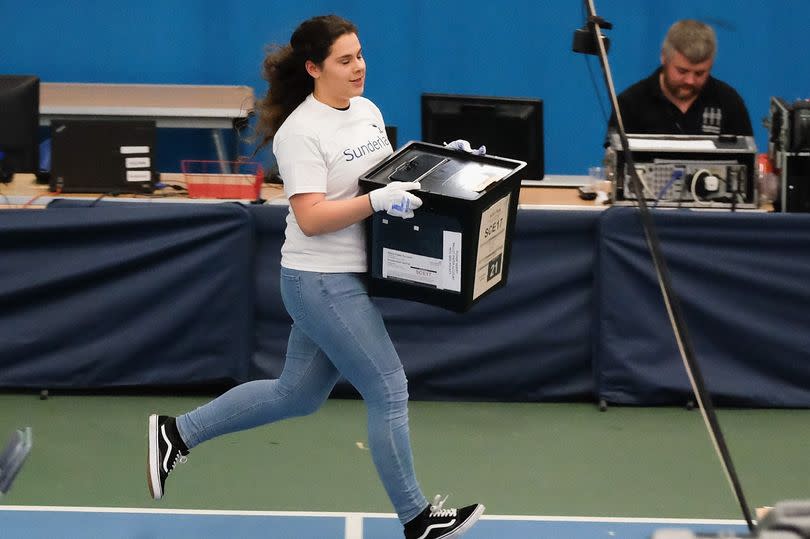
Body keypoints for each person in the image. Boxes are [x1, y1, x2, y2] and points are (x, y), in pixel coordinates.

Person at [146, 14, 485, 539]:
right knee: (389, 388)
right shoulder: (301, 132)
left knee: (296, 396)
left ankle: (176, 433)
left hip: (345, 277)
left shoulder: (367, 111)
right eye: (344, 60)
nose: (359, 67)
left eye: (360, 55)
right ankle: (418, 520)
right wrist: (374, 202)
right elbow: (311, 216)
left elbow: (384, 172)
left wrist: (447, 167)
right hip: (319, 281)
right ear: (313, 68)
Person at [608, 19, 753, 137]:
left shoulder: (729, 103)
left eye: (699, 73)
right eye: (682, 71)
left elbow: (746, 161)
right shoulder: (630, 104)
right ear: (664, 57)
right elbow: (615, 164)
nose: (690, 81)